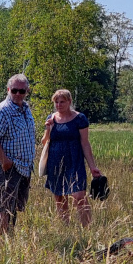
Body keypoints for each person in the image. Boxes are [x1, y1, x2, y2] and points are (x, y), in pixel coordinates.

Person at [40, 89, 101, 226]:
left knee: (79, 196)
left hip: (75, 161)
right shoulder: (51, 118)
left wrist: (92, 167)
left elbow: (85, 143)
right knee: (60, 197)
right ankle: (65, 228)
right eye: (56, 102)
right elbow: (44, 142)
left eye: (62, 102)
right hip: (55, 162)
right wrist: (49, 129)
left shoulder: (80, 119)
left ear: (69, 102)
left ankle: (87, 229)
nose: (59, 105)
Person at [0, 74, 36, 235]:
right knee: (3, 204)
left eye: (22, 91)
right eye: (14, 90)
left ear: (27, 91)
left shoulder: (25, 109)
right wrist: (4, 161)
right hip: (8, 166)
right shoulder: (2, 110)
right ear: (8, 90)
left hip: (23, 167)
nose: (18, 94)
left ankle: (9, 237)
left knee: (13, 206)